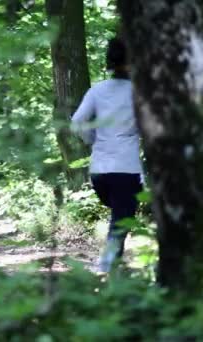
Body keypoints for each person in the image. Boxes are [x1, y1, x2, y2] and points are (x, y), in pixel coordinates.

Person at [71, 37, 143, 272]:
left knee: (119, 216)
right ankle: (107, 268)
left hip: (100, 171)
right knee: (122, 220)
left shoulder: (97, 90)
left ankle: (113, 268)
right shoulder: (139, 93)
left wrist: (94, 141)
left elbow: (77, 121)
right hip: (127, 168)